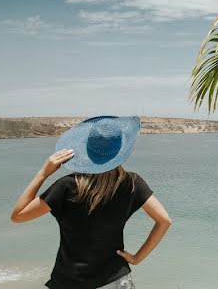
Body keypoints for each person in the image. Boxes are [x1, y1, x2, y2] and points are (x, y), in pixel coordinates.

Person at [10, 115, 172, 289]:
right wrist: (136, 258)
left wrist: (43, 173)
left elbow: (18, 216)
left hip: (70, 282)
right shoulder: (132, 183)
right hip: (115, 280)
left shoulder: (67, 186)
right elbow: (164, 221)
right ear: (119, 151)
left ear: (86, 148)